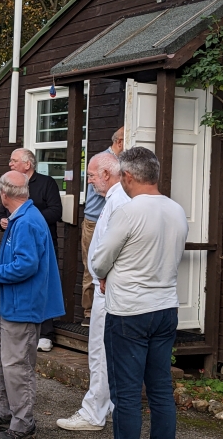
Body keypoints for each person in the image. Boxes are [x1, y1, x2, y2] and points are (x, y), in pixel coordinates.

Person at [92, 147, 188, 439]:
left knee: (127, 394)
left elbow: (100, 260)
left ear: (128, 176)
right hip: (165, 307)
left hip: (129, 311)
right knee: (160, 389)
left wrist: (106, 274)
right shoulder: (177, 210)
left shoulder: (128, 212)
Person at [0, 170, 65, 439]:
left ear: (4, 194)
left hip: (22, 306)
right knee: (0, 361)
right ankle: (6, 412)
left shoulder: (26, 221)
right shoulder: (22, 216)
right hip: (9, 303)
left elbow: (26, 264)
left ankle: (23, 423)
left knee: (17, 367)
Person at [57, 152, 129, 431]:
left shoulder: (118, 202)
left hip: (107, 287)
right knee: (104, 349)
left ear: (106, 175)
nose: (88, 181)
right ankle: (105, 406)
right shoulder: (115, 199)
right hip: (108, 284)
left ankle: (94, 413)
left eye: (90, 175)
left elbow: (111, 247)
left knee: (100, 349)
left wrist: (102, 273)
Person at [0, 148, 62, 352]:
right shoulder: (11, 183)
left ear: (28, 164)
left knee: (40, 284)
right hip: (16, 240)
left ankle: (46, 333)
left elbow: (56, 211)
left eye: (14, 160)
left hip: (40, 241)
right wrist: (3, 221)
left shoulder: (46, 184)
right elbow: (1, 213)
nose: (10, 164)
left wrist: (23, 217)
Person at [80, 127, 124, 326]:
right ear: (120, 142)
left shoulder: (121, 163)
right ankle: (90, 312)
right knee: (92, 265)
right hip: (94, 220)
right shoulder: (102, 162)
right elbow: (101, 190)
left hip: (113, 220)